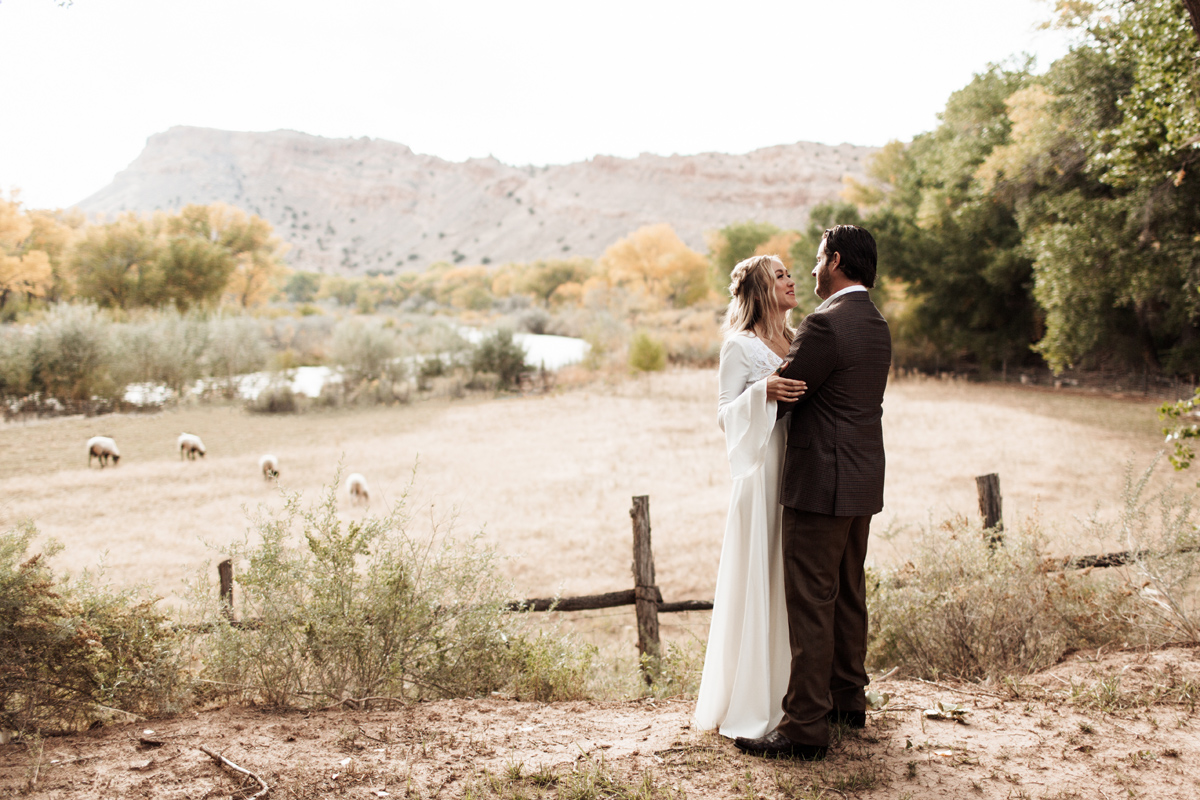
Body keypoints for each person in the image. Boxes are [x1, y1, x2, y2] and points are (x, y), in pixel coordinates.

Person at [734, 225, 891, 761]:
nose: (813, 268)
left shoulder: (824, 325)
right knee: (849, 594)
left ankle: (804, 728)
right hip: (864, 481)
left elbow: (792, 391)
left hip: (821, 484)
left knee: (811, 603)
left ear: (838, 260)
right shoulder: (876, 322)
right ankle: (848, 701)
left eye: (819, 259)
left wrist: (769, 380)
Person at [693, 254, 807, 738]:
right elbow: (723, 413)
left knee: (791, 577)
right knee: (758, 573)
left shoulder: (798, 338)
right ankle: (751, 700)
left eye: (789, 272)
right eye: (780, 274)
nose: (791, 279)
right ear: (761, 287)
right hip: (760, 470)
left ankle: (794, 695)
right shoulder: (738, 347)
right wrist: (763, 389)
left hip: (798, 468)